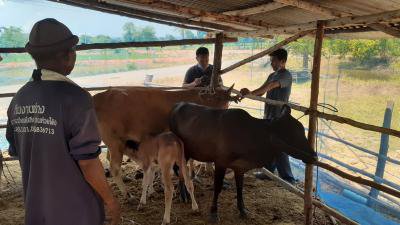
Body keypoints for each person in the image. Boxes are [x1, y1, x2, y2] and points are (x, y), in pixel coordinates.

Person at [5, 18, 120, 225]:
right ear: (67, 55)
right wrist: (110, 201)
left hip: (37, 211)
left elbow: (18, 151)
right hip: (77, 212)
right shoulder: (77, 98)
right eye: (73, 50)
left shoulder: (18, 99)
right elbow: (87, 161)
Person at [239, 48, 296, 184]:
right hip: (269, 115)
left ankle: (288, 178)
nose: (272, 64)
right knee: (269, 143)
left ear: (283, 61)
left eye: (274, 61)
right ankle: (269, 172)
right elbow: (261, 92)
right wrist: (250, 92)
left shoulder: (286, 75)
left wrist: (251, 93)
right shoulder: (272, 75)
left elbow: (270, 87)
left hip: (280, 117)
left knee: (281, 146)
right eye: (271, 61)